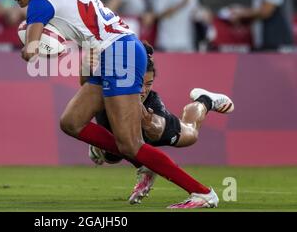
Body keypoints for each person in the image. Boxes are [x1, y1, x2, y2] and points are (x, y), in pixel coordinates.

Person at [0, 0, 222, 209]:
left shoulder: (38, 1)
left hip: (120, 52)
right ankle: (144, 160)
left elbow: (32, 48)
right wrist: (54, 45)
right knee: (72, 122)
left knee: (130, 144)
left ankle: (202, 192)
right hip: (115, 50)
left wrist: (32, 47)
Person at [85, 42, 234, 204]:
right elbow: (84, 83)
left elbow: (156, 132)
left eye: (148, 84)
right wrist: (85, 65)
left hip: (149, 131)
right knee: (111, 156)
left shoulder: (150, 105)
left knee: (190, 134)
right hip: (123, 132)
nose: (142, 91)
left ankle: (205, 101)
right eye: (140, 83)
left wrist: (148, 124)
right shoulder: (107, 84)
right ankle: (140, 165)